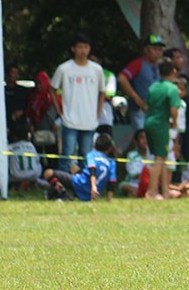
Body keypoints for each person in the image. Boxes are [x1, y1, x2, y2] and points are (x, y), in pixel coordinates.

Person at [50, 32, 105, 172]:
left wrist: (98, 113)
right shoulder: (64, 68)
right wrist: (59, 110)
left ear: (90, 49)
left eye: (86, 47)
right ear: (73, 48)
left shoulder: (97, 70)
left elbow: (102, 92)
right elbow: (52, 89)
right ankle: (62, 186)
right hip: (69, 120)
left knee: (86, 157)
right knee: (66, 156)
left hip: (89, 121)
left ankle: (83, 187)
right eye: (80, 47)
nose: (83, 51)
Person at [41, 132, 119, 202]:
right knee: (74, 168)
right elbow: (111, 182)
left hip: (80, 184)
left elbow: (92, 170)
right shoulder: (112, 162)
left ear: (95, 145)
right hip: (90, 194)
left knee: (48, 173)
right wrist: (109, 199)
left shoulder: (92, 154)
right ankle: (68, 192)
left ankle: (63, 192)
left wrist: (93, 187)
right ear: (110, 148)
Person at [143, 58, 181, 199]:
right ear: (173, 71)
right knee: (159, 158)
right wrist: (175, 123)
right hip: (161, 125)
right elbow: (173, 110)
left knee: (161, 157)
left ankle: (165, 191)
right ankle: (151, 192)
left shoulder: (153, 87)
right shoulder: (171, 88)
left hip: (149, 122)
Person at [118, 34, 165, 132]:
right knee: (142, 139)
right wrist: (137, 98)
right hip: (139, 110)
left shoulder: (159, 67)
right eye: (155, 49)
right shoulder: (138, 63)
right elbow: (122, 78)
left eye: (160, 50)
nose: (158, 53)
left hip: (156, 110)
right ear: (146, 50)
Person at [4, 63, 32, 142]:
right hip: (6, 127)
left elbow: (28, 107)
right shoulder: (1, 92)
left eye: (17, 73)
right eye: (13, 73)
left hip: (21, 128)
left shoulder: (23, 91)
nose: (15, 75)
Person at [118, 129, 150, 197]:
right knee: (124, 186)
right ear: (136, 141)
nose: (145, 140)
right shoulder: (132, 155)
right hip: (133, 184)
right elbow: (134, 175)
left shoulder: (153, 156)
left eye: (147, 137)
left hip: (149, 184)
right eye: (142, 138)